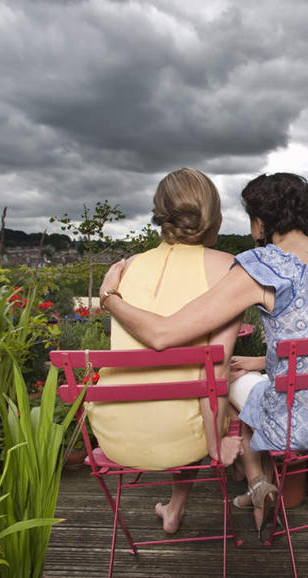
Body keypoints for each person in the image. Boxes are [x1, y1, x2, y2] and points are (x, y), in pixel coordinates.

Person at [99, 172, 308, 537]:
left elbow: (163, 334)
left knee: (225, 379)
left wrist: (110, 298)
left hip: (297, 424)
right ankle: (255, 484)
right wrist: (261, 362)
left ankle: (256, 483)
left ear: (260, 221)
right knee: (250, 382)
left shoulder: (260, 266)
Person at [90, 168, 243, 534]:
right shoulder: (229, 269)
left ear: (161, 213)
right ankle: (254, 486)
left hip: (117, 433)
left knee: (179, 389)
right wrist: (216, 446)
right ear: (212, 214)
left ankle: (174, 508)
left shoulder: (124, 270)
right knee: (227, 392)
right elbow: (216, 374)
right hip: (184, 430)